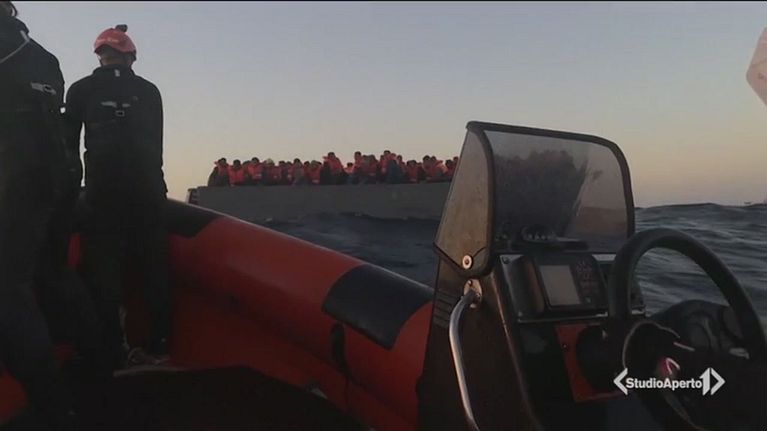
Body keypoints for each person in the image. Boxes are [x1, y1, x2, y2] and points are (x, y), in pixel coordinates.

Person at [64, 24, 172, 369]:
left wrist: (69, 193)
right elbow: (156, 145)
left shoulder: (81, 89)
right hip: (149, 192)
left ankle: (110, 350)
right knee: (155, 267)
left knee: (103, 271)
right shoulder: (150, 91)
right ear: (131, 57)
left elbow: (68, 147)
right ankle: (160, 345)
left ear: (100, 56)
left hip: (102, 193)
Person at [0, 1, 84, 427]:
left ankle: (51, 405)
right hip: (54, 175)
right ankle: (87, 365)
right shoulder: (43, 56)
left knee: (7, 286)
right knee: (49, 271)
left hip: (14, 175)